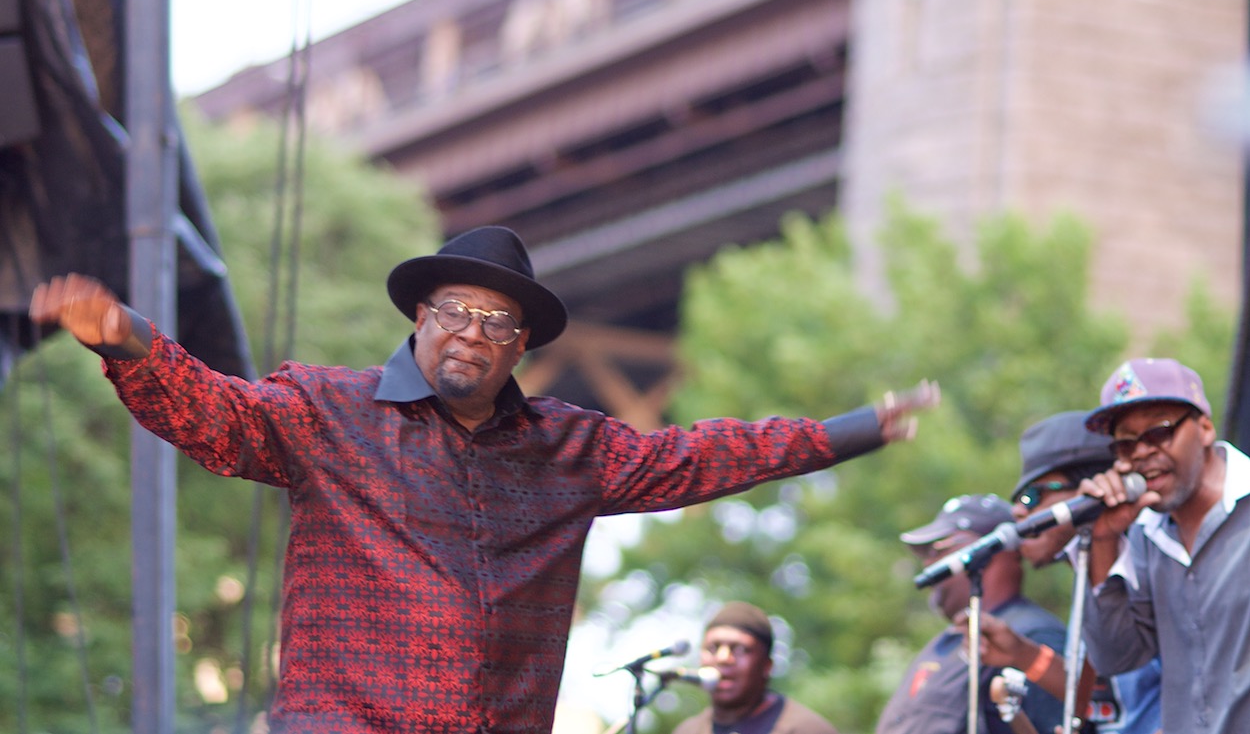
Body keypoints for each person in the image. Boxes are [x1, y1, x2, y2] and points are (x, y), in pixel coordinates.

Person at [28, 225, 938, 734]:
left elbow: (701, 455)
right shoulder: (325, 410)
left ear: (521, 346)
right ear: (420, 320)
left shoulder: (571, 450)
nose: (471, 331)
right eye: (454, 311)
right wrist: (127, 337)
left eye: (496, 322)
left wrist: (848, 430)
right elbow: (213, 416)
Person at [1077, 358, 1250, 734]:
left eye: (1158, 432)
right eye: (1125, 444)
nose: (1140, 452)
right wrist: (1105, 541)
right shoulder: (1144, 535)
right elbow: (1115, 656)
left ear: (1204, 428)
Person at [968, 411, 1162, 733]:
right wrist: (1022, 653)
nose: (1018, 510)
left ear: (1090, 489)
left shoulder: (1148, 564)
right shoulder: (1086, 575)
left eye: (1033, 496)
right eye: (1016, 499)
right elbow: (1102, 696)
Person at [874, 494, 1066, 734]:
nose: (929, 564)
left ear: (993, 548)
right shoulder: (951, 638)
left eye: (938, 549)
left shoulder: (1032, 636)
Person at [672, 601, 839, 734]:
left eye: (740, 649)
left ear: (767, 666)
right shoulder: (687, 730)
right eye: (713, 648)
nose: (723, 658)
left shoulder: (806, 729)